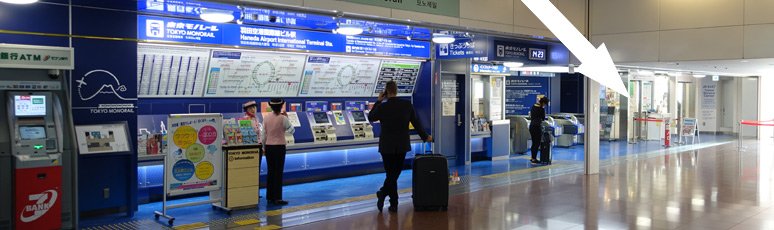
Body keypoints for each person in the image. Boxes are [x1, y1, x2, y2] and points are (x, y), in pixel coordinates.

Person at [368, 81, 432, 212]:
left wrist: (378, 101)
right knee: (394, 174)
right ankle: (391, 201)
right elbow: (416, 122)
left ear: (386, 92)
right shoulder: (407, 105)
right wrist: (425, 137)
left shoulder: (382, 107)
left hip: (386, 146)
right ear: (396, 90)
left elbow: (371, 117)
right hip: (401, 145)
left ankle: (386, 196)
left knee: (391, 174)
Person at [261, 98, 295, 205]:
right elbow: (292, 130)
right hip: (279, 147)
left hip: (269, 147)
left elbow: (263, 135)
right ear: (281, 107)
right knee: (278, 172)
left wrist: (264, 148)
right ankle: (277, 198)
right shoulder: (283, 118)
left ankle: (270, 196)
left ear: (271, 106)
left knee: (271, 172)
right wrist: (287, 118)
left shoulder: (266, 118)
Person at [529, 97, 550, 164]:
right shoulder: (541, 109)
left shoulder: (533, 106)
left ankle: (532, 157)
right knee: (537, 143)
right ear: (543, 103)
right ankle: (534, 159)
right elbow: (543, 118)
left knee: (534, 142)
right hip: (537, 127)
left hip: (531, 126)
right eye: (545, 104)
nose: (545, 105)